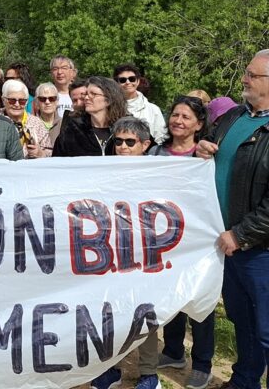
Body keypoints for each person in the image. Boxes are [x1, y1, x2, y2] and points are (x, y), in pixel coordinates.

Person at [195, 48, 269, 389]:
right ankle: (244, 381)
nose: (244, 79)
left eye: (252, 74)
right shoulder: (235, 117)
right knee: (243, 321)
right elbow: (214, 151)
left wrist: (241, 234)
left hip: (265, 251)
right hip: (229, 244)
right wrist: (203, 147)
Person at [91, 117, 161, 389]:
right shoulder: (102, 171)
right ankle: (111, 368)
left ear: (145, 144)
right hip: (110, 252)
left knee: (145, 312)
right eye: (118, 141)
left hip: (144, 253)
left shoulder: (158, 173)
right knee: (110, 310)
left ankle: (149, 372)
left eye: (130, 142)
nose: (123, 147)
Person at [156, 93, 217, 389]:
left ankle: (202, 364)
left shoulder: (206, 157)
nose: (178, 121)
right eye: (175, 115)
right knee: (171, 296)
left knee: (199, 300)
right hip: (163, 239)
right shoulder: (155, 153)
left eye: (186, 117)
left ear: (199, 124)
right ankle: (173, 351)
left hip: (198, 240)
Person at [55, 77, 127, 157]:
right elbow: (57, 161)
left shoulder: (124, 130)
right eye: (86, 94)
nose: (86, 98)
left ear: (108, 100)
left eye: (93, 94)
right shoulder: (72, 130)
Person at [115, 64, 168, 144]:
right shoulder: (110, 108)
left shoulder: (153, 110)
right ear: (117, 83)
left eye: (132, 79)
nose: (128, 82)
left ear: (138, 81)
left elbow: (161, 138)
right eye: (123, 80)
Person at [1, 79, 48, 158]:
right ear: (3, 100)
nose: (17, 104)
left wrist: (40, 153)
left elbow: (50, 151)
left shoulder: (36, 123)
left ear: (26, 102)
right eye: (12, 100)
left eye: (22, 101)